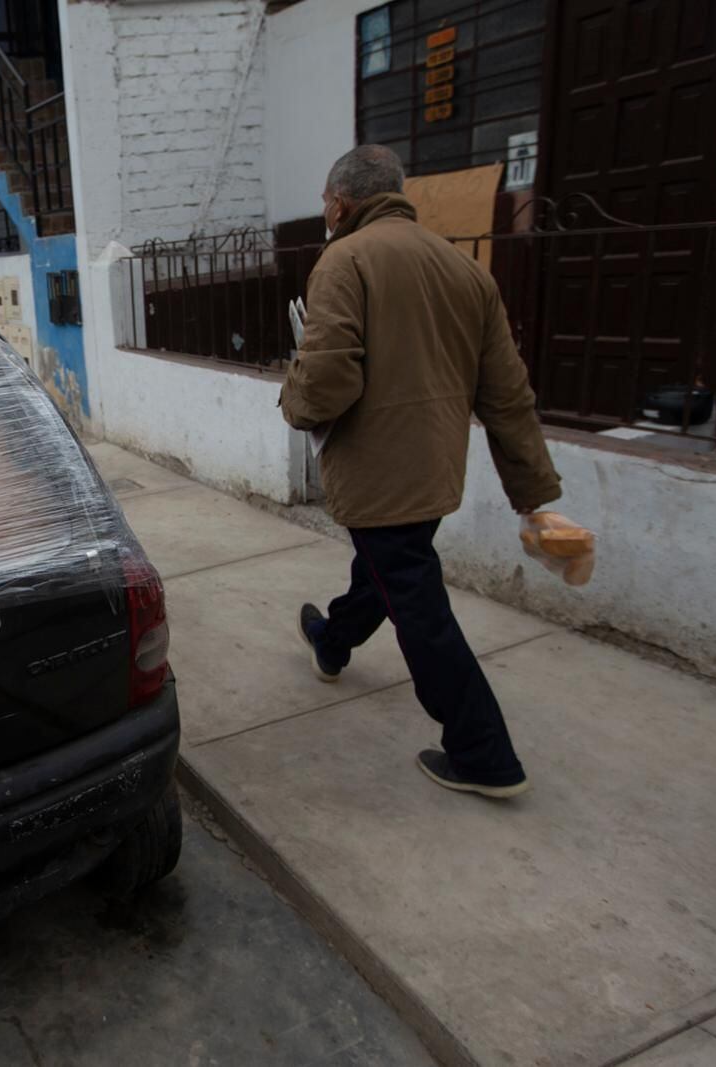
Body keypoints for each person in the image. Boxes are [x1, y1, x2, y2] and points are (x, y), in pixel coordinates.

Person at [281, 145, 561, 799]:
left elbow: (326, 379)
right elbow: (508, 395)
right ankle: (334, 638)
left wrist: (293, 398)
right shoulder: (466, 271)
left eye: (326, 203)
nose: (325, 213)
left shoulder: (343, 259)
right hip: (434, 472)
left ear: (340, 203)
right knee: (389, 572)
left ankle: (482, 752)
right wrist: (534, 492)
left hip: (381, 476)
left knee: (418, 605)